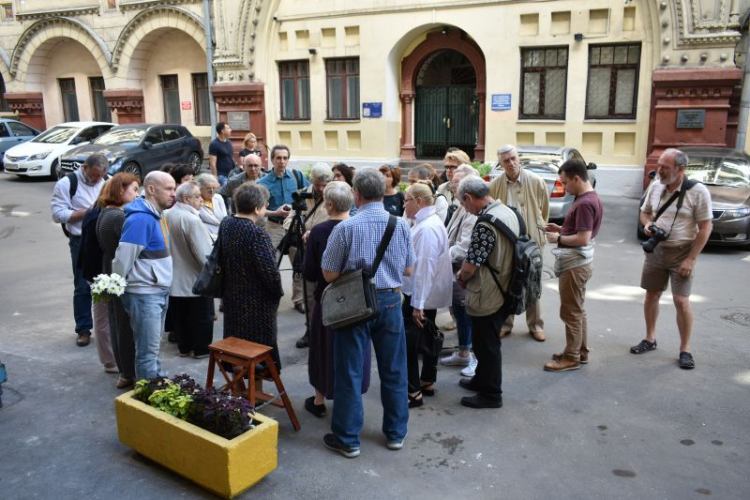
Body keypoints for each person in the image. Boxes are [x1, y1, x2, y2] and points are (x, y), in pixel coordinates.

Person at [321, 167, 415, 458]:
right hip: (390, 301)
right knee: (394, 369)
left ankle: (348, 439)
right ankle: (396, 433)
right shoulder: (400, 224)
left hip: (355, 303)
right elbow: (409, 269)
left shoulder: (345, 227)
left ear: (356, 194)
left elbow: (329, 274)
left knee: (349, 371)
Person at [630, 148, 712, 370]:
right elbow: (645, 212)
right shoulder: (656, 186)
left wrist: (691, 259)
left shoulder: (698, 191)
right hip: (656, 250)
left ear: (680, 169)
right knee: (652, 295)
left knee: (681, 301)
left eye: (665, 168)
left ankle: (685, 349)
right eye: (659, 166)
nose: (659, 171)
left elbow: (706, 227)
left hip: (682, 253)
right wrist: (647, 225)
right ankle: (649, 338)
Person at [302, 181, 370, 417]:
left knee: (323, 350)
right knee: (354, 351)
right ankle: (351, 397)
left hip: (328, 299)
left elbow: (310, 272)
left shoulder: (319, 232)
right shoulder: (360, 227)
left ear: (328, 204)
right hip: (357, 300)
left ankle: (319, 400)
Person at [455, 176, 518, 409]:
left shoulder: (485, 224)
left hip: (488, 292)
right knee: (486, 341)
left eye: (463, 203)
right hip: (506, 286)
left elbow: (471, 264)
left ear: (469, 198)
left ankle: (491, 394)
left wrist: (461, 277)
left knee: (486, 345)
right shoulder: (507, 211)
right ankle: (481, 379)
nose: (464, 208)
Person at [113, 171, 176, 380]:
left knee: (153, 348)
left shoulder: (157, 214)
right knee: (147, 353)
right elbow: (123, 259)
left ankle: (156, 386)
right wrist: (118, 286)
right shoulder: (141, 218)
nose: (173, 194)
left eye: (174, 189)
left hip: (155, 290)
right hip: (144, 293)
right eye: (168, 189)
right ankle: (149, 398)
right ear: (151, 189)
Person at [542, 160, 603, 372]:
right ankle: (579, 351)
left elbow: (583, 238)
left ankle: (572, 357)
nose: (565, 187)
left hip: (576, 264)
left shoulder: (585, 202)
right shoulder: (589, 197)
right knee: (577, 310)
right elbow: (579, 230)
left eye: (566, 182)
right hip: (581, 263)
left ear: (577, 178)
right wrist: (562, 228)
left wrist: (557, 237)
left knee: (570, 312)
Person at [218, 183, 284, 368]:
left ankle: (238, 390)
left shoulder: (226, 223)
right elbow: (270, 273)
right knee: (259, 352)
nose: (265, 211)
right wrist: (277, 293)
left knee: (236, 347)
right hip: (257, 306)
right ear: (256, 208)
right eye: (264, 207)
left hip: (232, 298)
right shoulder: (257, 233)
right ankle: (254, 392)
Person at [489, 144, 549, 342]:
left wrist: (538, 231)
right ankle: (506, 323)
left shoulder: (535, 181)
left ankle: (535, 325)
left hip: (531, 239)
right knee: (507, 281)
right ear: (500, 163)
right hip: (507, 241)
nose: (512, 163)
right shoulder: (496, 183)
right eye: (506, 160)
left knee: (533, 281)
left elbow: (544, 211)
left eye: (514, 158)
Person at [401, 181, 452, 409]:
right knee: (428, 334)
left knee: (410, 343)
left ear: (419, 202)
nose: (404, 205)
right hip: (424, 294)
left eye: (406, 200)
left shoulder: (426, 228)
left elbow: (424, 268)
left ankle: (413, 392)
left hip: (418, 295)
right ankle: (426, 381)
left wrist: (417, 304)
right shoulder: (428, 223)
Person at [50, 153, 109, 347]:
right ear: (84, 167)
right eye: (94, 176)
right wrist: (89, 212)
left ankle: (107, 325)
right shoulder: (67, 184)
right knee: (83, 285)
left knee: (108, 283)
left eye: (101, 176)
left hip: (103, 237)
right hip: (80, 240)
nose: (97, 180)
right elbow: (58, 215)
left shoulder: (106, 181)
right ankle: (83, 329)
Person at [96, 173, 140, 388]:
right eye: (134, 189)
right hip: (120, 274)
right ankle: (129, 372)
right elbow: (129, 249)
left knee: (117, 323)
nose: (137, 193)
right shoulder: (117, 217)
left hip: (111, 272)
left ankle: (125, 372)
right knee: (124, 325)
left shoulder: (107, 213)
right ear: (121, 191)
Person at [165, 182, 215, 359]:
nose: (201, 200)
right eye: (197, 196)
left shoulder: (166, 214)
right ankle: (201, 349)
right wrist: (214, 275)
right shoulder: (191, 219)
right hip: (194, 279)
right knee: (201, 316)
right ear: (186, 198)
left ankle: (184, 348)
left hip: (173, 278)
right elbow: (204, 254)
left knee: (181, 317)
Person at [285, 163, 333, 346]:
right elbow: (289, 218)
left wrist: (316, 233)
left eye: (324, 184)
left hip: (327, 251)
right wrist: (301, 229)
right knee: (308, 293)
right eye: (317, 184)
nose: (321, 189)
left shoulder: (334, 194)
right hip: (306, 251)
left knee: (327, 293)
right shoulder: (302, 193)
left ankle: (327, 331)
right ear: (311, 180)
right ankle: (310, 330)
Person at [440, 165, 479, 376]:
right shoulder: (460, 206)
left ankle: (472, 356)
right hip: (453, 267)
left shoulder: (471, 211)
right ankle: (464, 352)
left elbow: (464, 247)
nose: (452, 186)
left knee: (467, 313)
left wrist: (440, 258)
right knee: (458, 311)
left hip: (464, 270)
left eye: (456, 183)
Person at [257, 144, 310, 252]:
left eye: (285, 158)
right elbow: (257, 211)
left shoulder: (296, 176)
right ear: (272, 159)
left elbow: (309, 196)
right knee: (271, 264)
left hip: (295, 226)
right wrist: (275, 213)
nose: (282, 161)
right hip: (274, 227)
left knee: (298, 265)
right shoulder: (262, 183)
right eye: (278, 158)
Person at [195, 173, 227, 238]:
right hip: (207, 236)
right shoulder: (196, 202)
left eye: (214, 188)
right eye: (208, 189)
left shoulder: (218, 198)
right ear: (200, 189)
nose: (212, 191)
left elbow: (224, 218)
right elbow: (199, 224)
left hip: (223, 234)